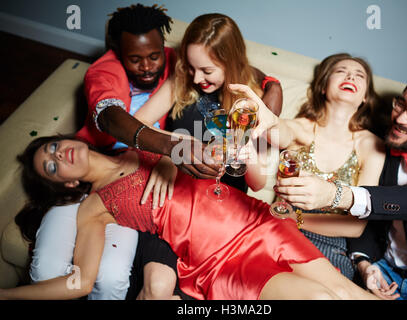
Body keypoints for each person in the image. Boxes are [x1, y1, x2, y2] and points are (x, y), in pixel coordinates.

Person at [0, 135, 379, 300]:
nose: (59, 156)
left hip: (259, 221)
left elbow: (207, 149)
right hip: (222, 263)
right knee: (317, 296)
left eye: (53, 147)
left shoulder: (142, 142)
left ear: (68, 139)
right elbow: (80, 283)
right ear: (66, 186)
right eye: (52, 167)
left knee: (347, 292)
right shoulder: (93, 207)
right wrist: (8, 295)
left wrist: (180, 153)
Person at [27, 4, 202, 300]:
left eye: (154, 56)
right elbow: (109, 116)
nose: (146, 66)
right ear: (119, 53)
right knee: (47, 269)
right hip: (88, 174)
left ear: (163, 46)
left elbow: (228, 62)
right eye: (134, 59)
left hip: (132, 181)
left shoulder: (179, 63)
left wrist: (270, 85)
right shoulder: (104, 70)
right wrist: (167, 147)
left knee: (111, 279)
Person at [264, 61, 407, 300]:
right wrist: (363, 262)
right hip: (379, 271)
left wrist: (336, 195)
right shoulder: (390, 142)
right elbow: (373, 222)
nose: (402, 118)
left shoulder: (372, 145)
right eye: (401, 104)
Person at [230, 53, 386, 280]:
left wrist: (299, 219)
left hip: (332, 246)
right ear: (323, 86)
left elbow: (356, 227)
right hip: (281, 231)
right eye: (341, 71)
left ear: (365, 96)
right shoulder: (301, 128)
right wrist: (267, 117)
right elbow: (279, 131)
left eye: (359, 75)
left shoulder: (371, 145)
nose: (350, 76)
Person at [133, 13, 282, 194]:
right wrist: (172, 149)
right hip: (177, 187)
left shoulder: (250, 100)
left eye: (207, 71)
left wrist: (248, 153)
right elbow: (137, 122)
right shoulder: (181, 80)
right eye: (191, 66)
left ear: (231, 64)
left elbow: (257, 184)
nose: (196, 78)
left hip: (222, 197)